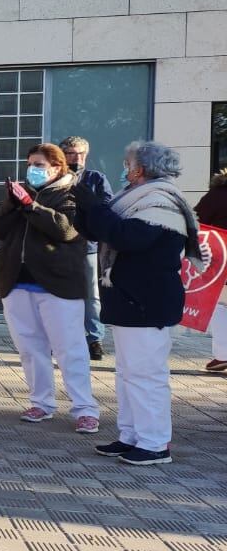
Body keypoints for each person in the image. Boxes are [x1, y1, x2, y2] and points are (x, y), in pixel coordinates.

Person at [77, 141, 202, 467]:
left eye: (128, 163)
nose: (125, 168)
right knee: (129, 374)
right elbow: (100, 228)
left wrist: (96, 207)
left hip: (148, 301)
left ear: (141, 169)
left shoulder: (160, 201)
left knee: (146, 375)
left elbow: (126, 237)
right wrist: (84, 208)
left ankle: (154, 443)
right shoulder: (134, 199)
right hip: (130, 300)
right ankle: (131, 436)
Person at [0, 143, 100, 433]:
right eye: (30, 164)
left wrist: (31, 207)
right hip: (18, 281)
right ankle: (41, 402)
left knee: (70, 348)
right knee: (30, 347)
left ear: (56, 167)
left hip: (58, 283)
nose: (32, 170)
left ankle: (85, 408)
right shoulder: (19, 193)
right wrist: (10, 205)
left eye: (38, 165)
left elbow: (65, 229)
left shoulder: (72, 192)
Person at [62, 136, 112, 361]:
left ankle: (94, 339)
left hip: (87, 244)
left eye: (81, 153)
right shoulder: (57, 177)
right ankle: (63, 337)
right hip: (59, 244)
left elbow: (107, 207)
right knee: (61, 292)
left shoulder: (95, 178)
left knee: (92, 294)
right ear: (63, 154)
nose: (77, 158)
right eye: (72, 153)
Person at [197, 168, 227, 375]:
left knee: (219, 305)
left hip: (221, 255)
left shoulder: (218, 193)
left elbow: (197, 219)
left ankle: (224, 355)